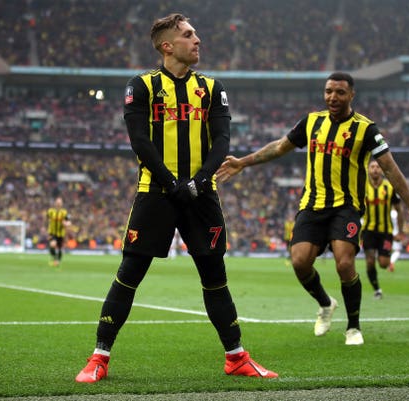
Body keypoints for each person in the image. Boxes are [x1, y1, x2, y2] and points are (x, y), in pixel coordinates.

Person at [75, 13, 277, 383]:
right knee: (130, 273)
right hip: (156, 193)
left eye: (195, 33)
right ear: (167, 46)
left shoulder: (212, 87)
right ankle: (99, 357)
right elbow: (140, 142)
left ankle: (236, 357)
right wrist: (171, 182)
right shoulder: (142, 86)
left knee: (215, 274)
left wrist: (199, 182)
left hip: (202, 195)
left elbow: (222, 142)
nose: (197, 40)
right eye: (188, 35)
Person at [216, 72, 409, 346]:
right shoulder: (312, 122)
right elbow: (280, 147)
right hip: (312, 205)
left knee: (344, 262)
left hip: (346, 207)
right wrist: (243, 162)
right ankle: (326, 303)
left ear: (351, 95)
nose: (333, 97)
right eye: (329, 91)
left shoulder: (366, 129)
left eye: (340, 92)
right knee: (299, 262)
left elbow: (389, 167)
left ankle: (353, 327)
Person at [362, 159, 404, 299]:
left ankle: (386, 258)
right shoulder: (362, 187)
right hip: (368, 230)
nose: (375, 169)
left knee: (383, 263)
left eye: (377, 167)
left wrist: (401, 232)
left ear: (381, 170)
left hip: (386, 232)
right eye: (372, 167)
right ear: (368, 170)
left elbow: (399, 210)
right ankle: (377, 290)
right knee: (369, 261)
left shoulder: (390, 188)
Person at [46, 196, 71, 267]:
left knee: (60, 248)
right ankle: (55, 258)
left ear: (62, 204)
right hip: (52, 232)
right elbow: (47, 220)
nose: (58, 204)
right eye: (57, 202)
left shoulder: (64, 212)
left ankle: (58, 261)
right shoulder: (50, 211)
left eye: (60, 203)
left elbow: (69, 221)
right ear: (55, 203)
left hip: (61, 233)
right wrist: (47, 230)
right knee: (52, 244)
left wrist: (66, 223)